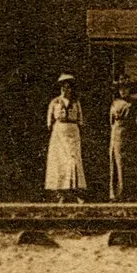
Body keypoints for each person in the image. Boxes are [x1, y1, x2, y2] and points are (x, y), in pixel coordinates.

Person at [44, 73, 87, 202]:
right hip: (59, 133)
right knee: (59, 162)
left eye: (68, 87)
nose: (65, 89)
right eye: (63, 87)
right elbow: (49, 122)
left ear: (71, 89)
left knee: (73, 160)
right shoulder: (54, 102)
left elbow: (80, 120)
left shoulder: (76, 103)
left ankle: (76, 191)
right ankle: (60, 194)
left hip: (72, 132)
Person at [108, 78, 137, 202]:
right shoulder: (115, 103)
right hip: (116, 135)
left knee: (131, 164)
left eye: (125, 88)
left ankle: (131, 194)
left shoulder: (135, 103)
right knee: (117, 164)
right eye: (121, 89)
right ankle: (116, 194)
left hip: (131, 135)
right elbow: (111, 121)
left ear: (130, 90)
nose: (123, 91)